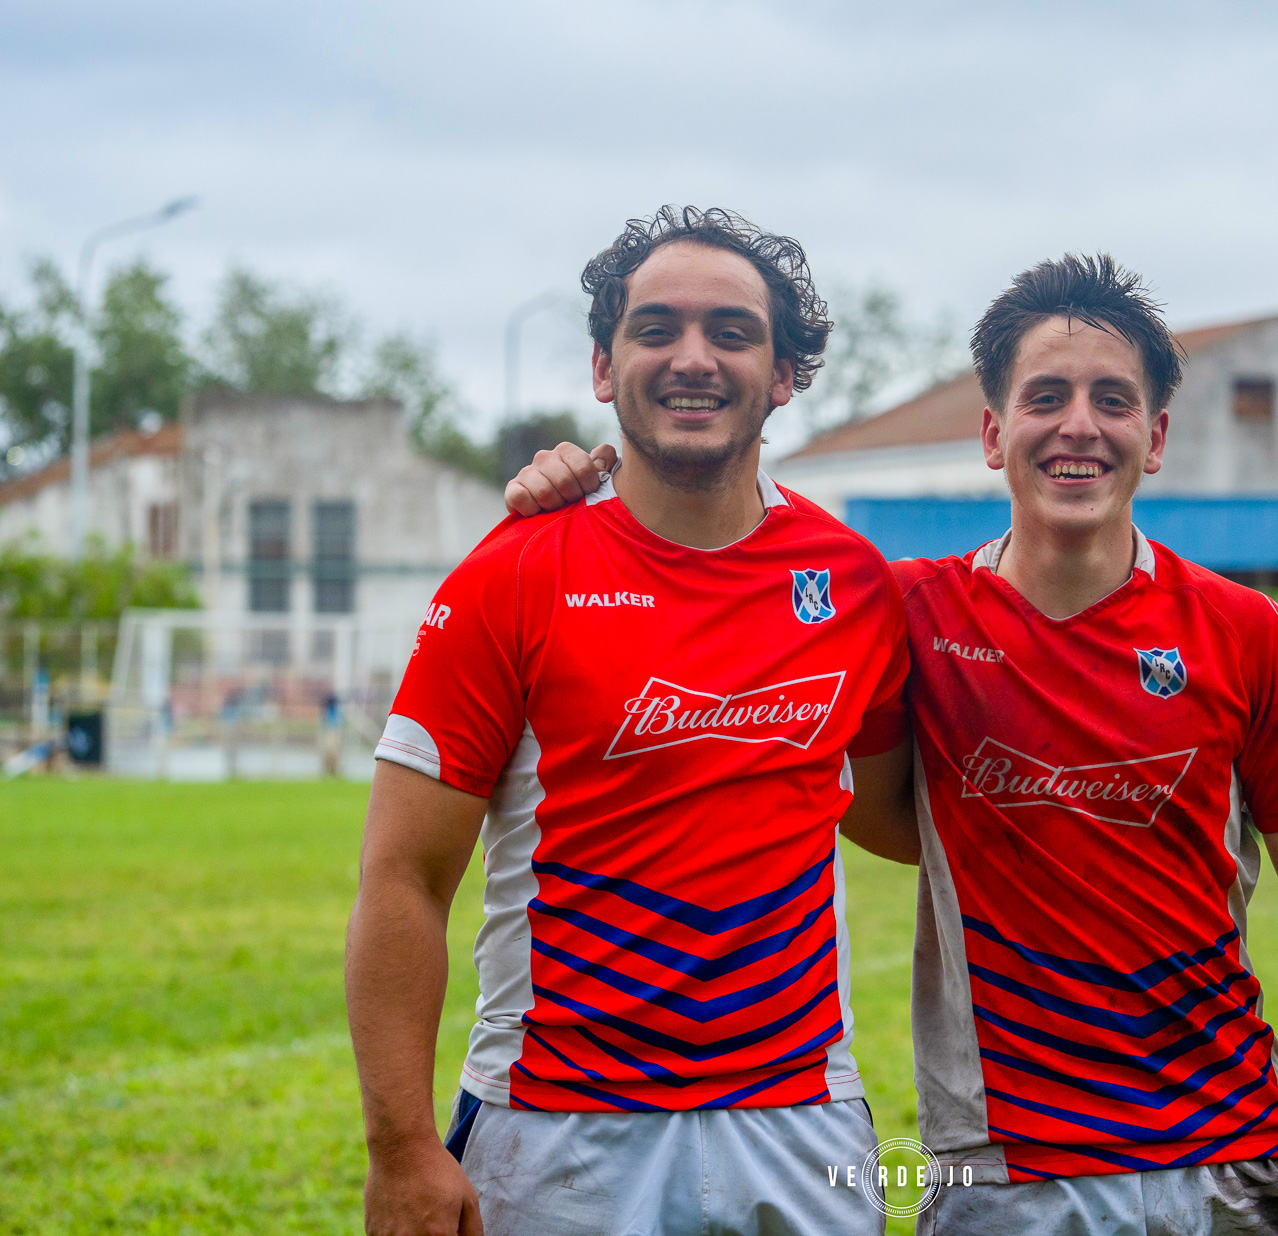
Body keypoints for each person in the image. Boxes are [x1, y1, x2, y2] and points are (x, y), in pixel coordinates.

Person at [510, 255, 1278, 1231]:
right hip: (1004, 1172)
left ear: (1154, 439)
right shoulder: (903, 614)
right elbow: (710, 594)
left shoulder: (1247, 634)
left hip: (1227, 1155)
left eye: (1112, 401)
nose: (1077, 426)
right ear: (992, 433)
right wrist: (574, 509)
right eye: (1045, 397)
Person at [346, 207, 916, 1236]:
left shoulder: (854, 584)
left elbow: (892, 816)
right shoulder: (513, 572)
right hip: (556, 1126)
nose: (692, 358)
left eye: (732, 334)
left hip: (800, 1120)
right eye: (657, 329)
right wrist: (401, 1149)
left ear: (784, 373)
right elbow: (402, 877)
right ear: (606, 368)